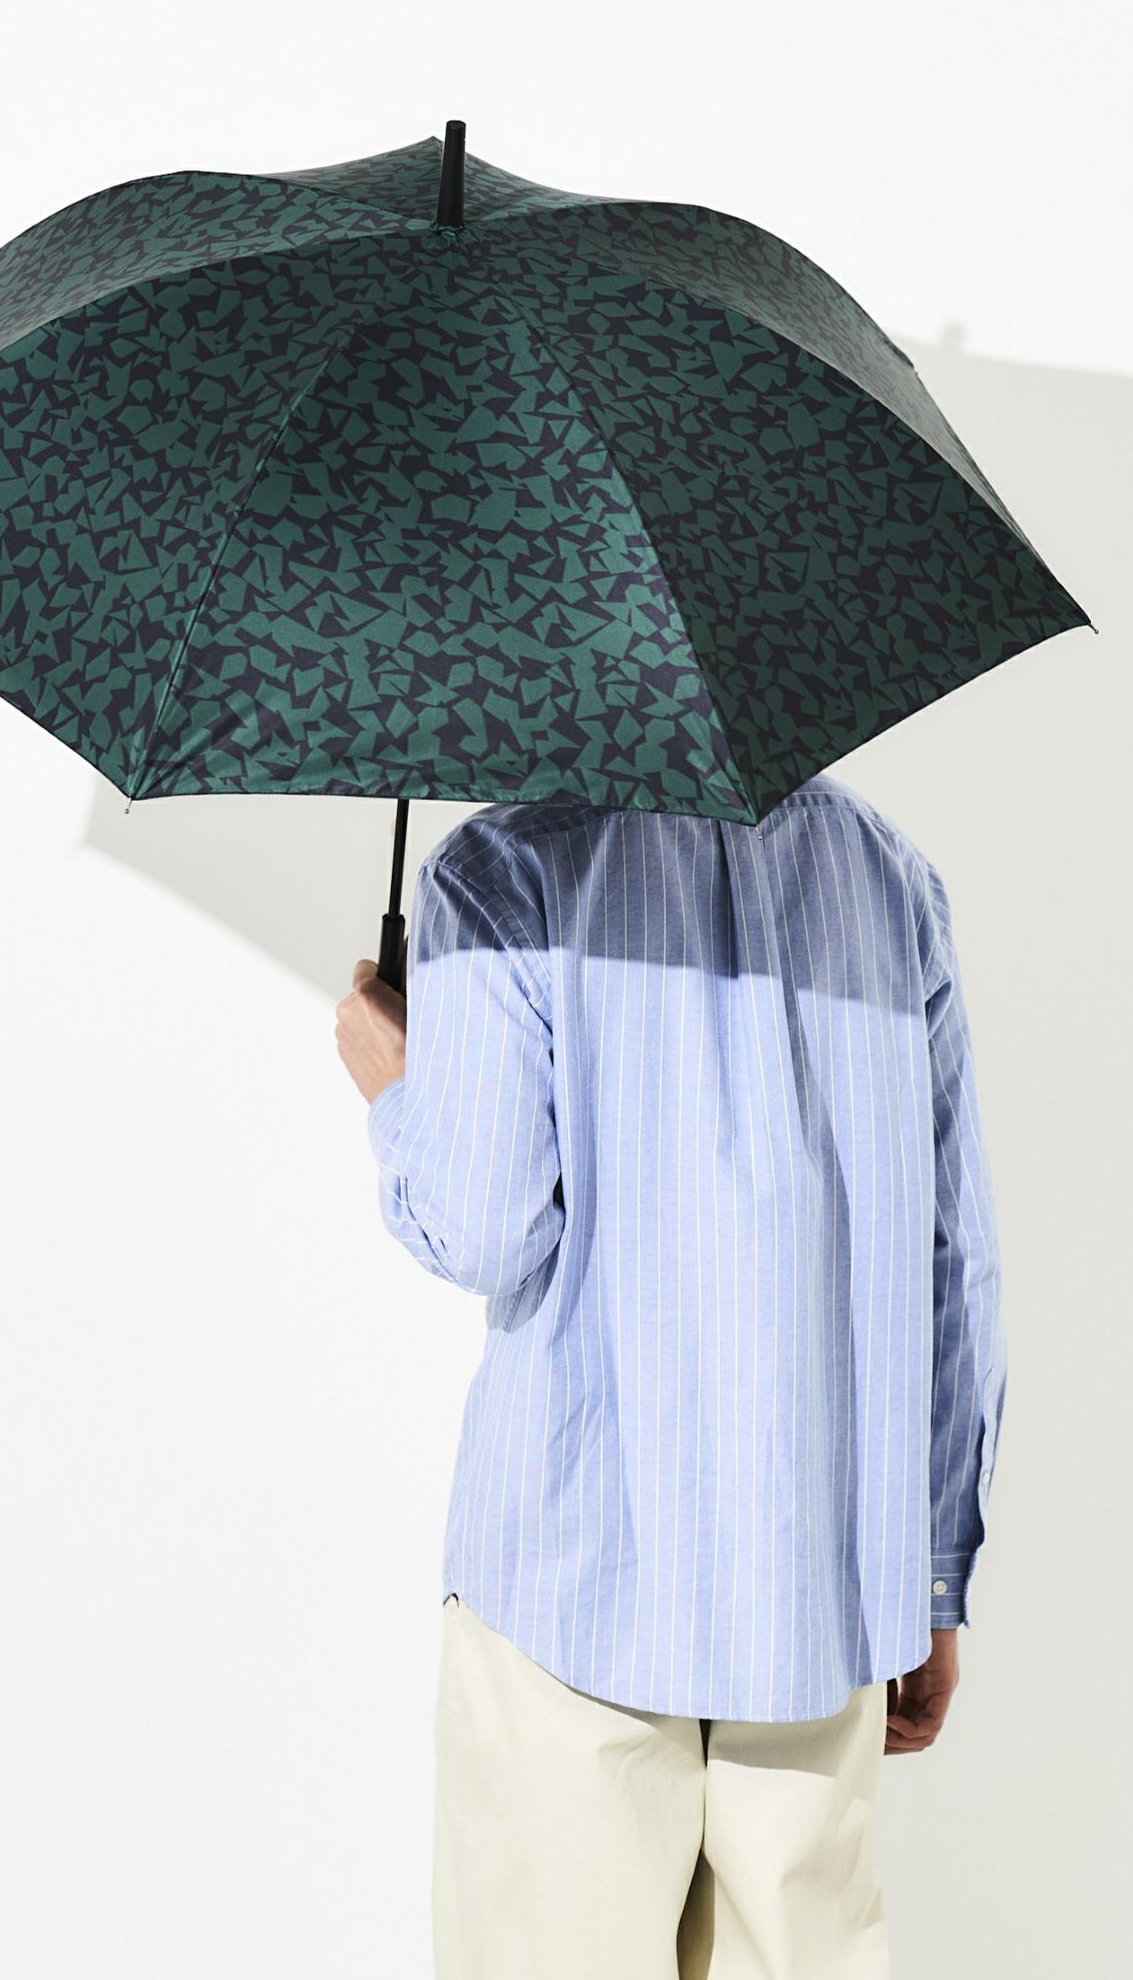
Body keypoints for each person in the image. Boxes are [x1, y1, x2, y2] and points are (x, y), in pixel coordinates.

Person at [332, 769, 1005, 1980]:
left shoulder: (501, 870)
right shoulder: (887, 877)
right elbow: (951, 1254)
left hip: (569, 1591)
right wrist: (932, 1574)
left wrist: (397, 1086)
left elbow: (481, 1225)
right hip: (819, 1596)